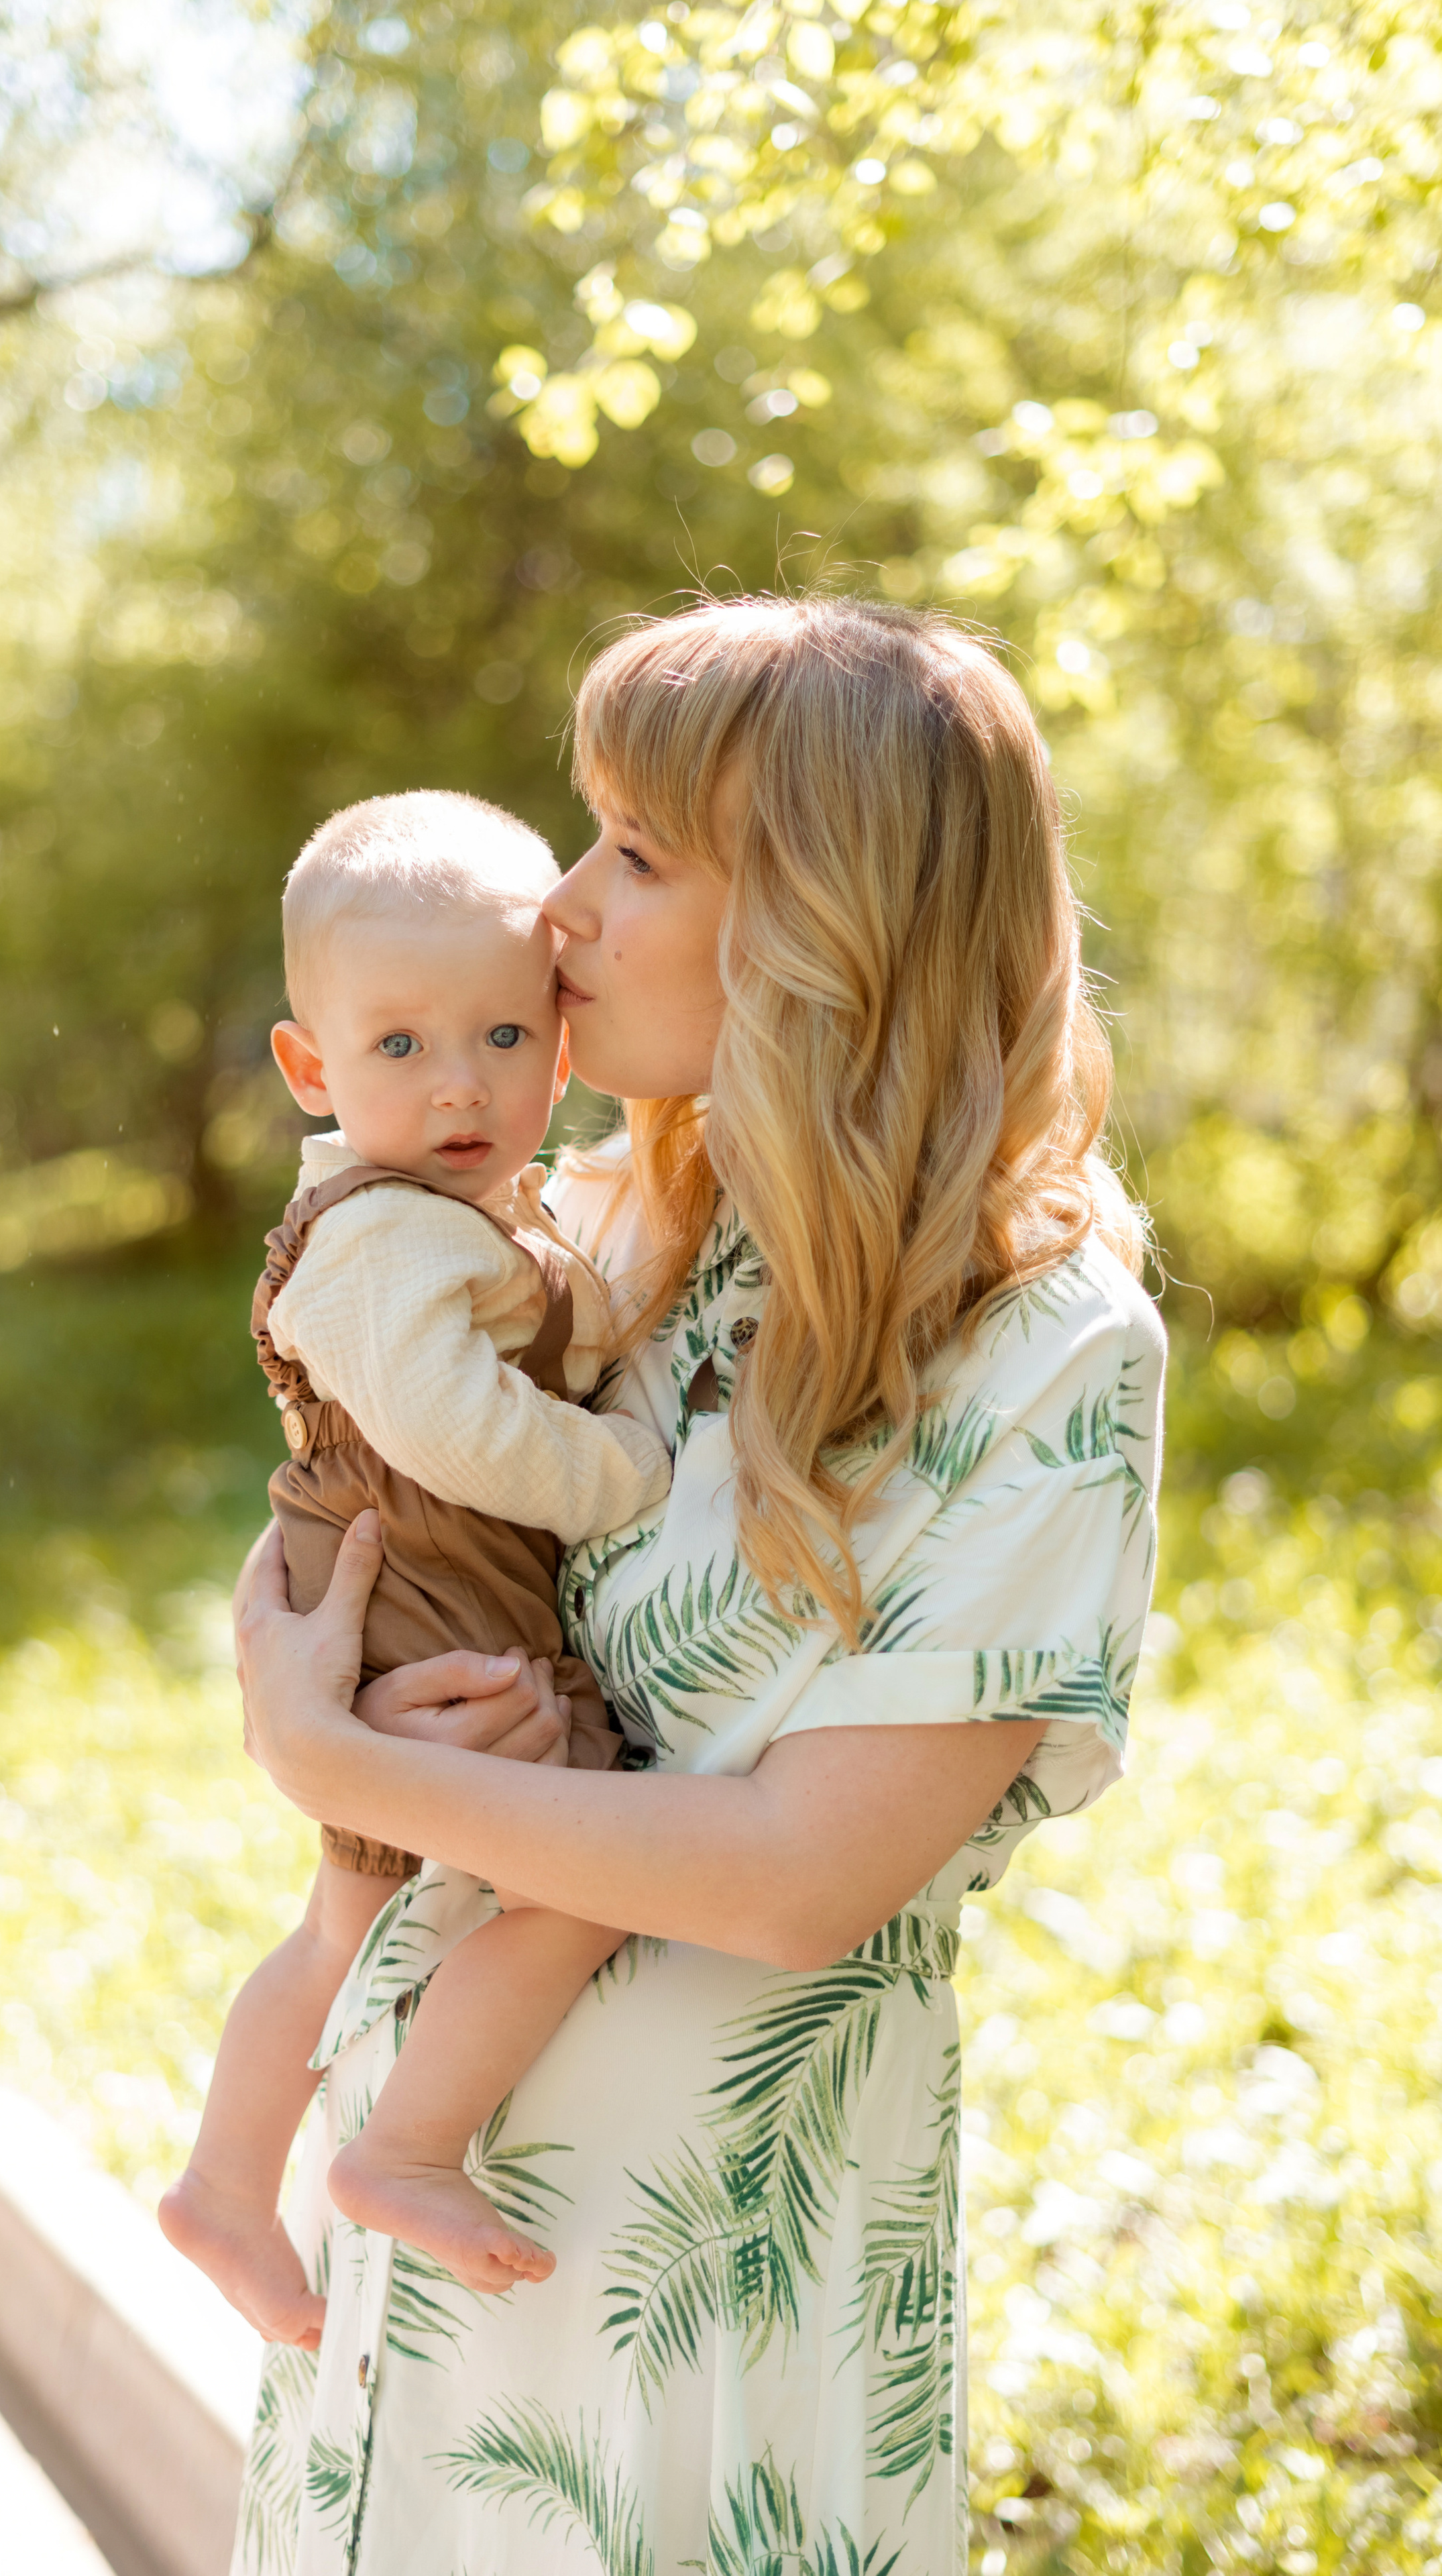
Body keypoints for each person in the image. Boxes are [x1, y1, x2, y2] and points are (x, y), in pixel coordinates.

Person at [227, 596, 1166, 2576]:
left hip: (700, 2295)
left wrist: (332, 1755)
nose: (560, 911)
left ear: (824, 920)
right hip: (416, 2255)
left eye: (634, 853)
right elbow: (360, 1509)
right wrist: (362, 1698)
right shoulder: (616, 1222)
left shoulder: (1047, 1344)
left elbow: (791, 1872)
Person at [160, 792, 672, 2341]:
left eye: (504, 1040)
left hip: (389, 1593)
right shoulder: (391, 1237)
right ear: (312, 1068)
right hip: (430, 1600)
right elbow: (452, 1430)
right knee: (583, 1875)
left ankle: (226, 2192)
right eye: (398, 1049)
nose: (460, 1085)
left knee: (336, 1924)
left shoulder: (454, 1209)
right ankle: (400, 2148)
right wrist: (625, 1479)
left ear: (559, 1046)